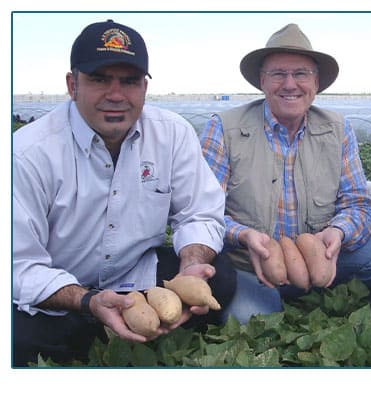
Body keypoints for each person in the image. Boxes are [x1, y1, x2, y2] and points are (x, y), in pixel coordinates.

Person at [12, 20, 236, 367]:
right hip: (63, 287)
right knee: (17, 335)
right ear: (73, 85)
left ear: (145, 87)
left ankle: (109, 332)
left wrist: (192, 265)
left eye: (129, 81)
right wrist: (87, 301)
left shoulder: (172, 134)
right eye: (100, 79)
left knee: (218, 277)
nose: (116, 95)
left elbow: (200, 213)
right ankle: (101, 327)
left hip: (133, 274)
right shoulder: (26, 154)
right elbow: (19, 266)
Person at [200, 23, 371, 323]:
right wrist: (244, 236)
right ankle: (269, 297)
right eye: (278, 74)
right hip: (251, 267)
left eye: (301, 74)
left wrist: (338, 233)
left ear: (316, 83)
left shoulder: (338, 130)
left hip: (325, 259)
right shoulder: (224, 129)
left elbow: (358, 204)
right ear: (262, 81)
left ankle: (315, 285)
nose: (290, 84)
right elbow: (202, 212)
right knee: (251, 321)